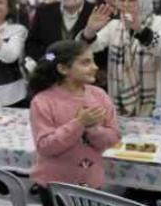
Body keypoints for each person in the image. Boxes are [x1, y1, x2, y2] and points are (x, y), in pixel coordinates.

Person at [29, 40, 120, 206]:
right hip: (55, 185)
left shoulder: (99, 95)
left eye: (92, 61)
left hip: (90, 183)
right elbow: (45, 147)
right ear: (63, 69)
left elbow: (113, 137)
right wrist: (79, 124)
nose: (95, 67)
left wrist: (93, 129)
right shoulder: (42, 101)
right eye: (85, 62)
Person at [80, 0, 161, 116]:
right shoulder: (114, 25)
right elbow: (91, 47)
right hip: (121, 95)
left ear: (143, 1)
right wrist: (90, 30)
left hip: (156, 97)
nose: (126, 4)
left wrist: (140, 30)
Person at [26, 0, 96, 63]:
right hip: (51, 71)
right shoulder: (44, 12)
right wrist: (52, 59)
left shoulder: (96, 13)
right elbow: (32, 45)